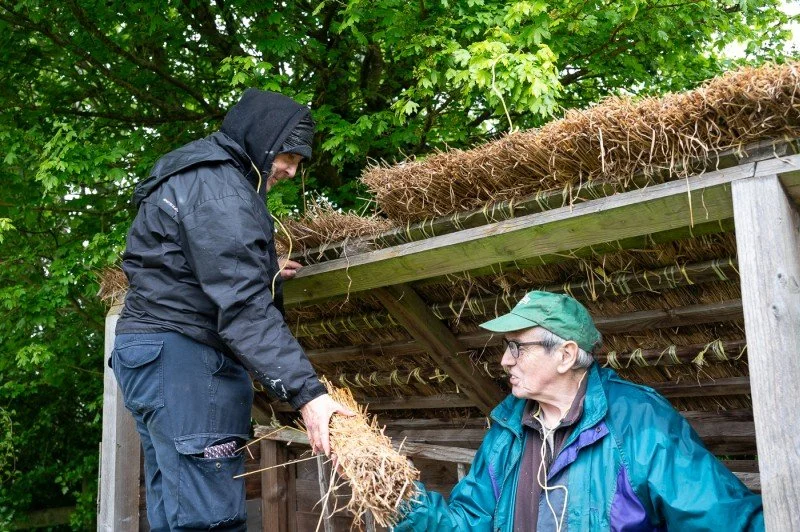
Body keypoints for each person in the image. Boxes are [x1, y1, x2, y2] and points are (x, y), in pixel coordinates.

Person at [112, 89, 351, 531]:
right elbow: (243, 309)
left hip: (151, 355)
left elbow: (186, 262)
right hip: (186, 360)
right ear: (262, 138)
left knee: (175, 515)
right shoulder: (220, 189)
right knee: (209, 520)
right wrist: (308, 395)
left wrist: (266, 267)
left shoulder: (195, 172)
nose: (290, 170)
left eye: (299, 163)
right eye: (288, 156)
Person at [394, 291, 763, 531]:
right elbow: (467, 522)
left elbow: (724, 519)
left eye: (517, 346)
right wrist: (395, 492)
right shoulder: (507, 428)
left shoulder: (639, 421)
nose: (505, 360)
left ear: (566, 355)